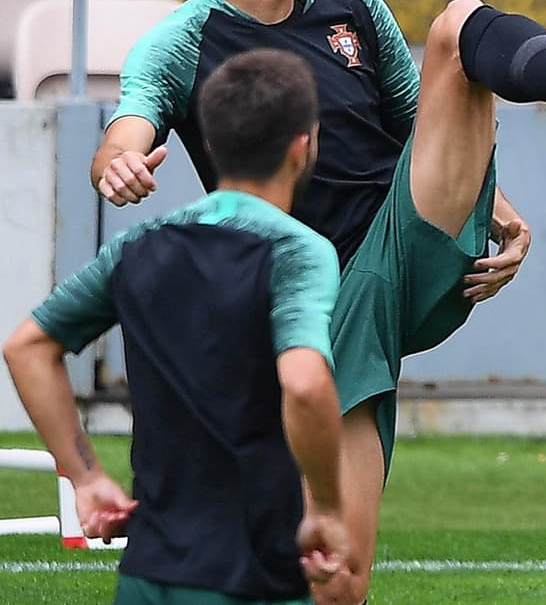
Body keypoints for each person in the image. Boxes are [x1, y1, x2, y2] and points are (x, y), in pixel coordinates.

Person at [89, 0, 546, 604]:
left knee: (455, 26)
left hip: (393, 251)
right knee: (340, 579)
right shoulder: (182, 40)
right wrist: (116, 159)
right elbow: (130, 122)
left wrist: (500, 214)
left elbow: (435, 127)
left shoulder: (359, 12)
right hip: (308, 301)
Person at [5, 48, 349, 604]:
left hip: (147, 575)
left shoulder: (136, 246)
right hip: (252, 577)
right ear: (302, 144)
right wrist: (329, 509)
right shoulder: (297, 250)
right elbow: (306, 384)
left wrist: (86, 478)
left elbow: (28, 346)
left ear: (209, 143)